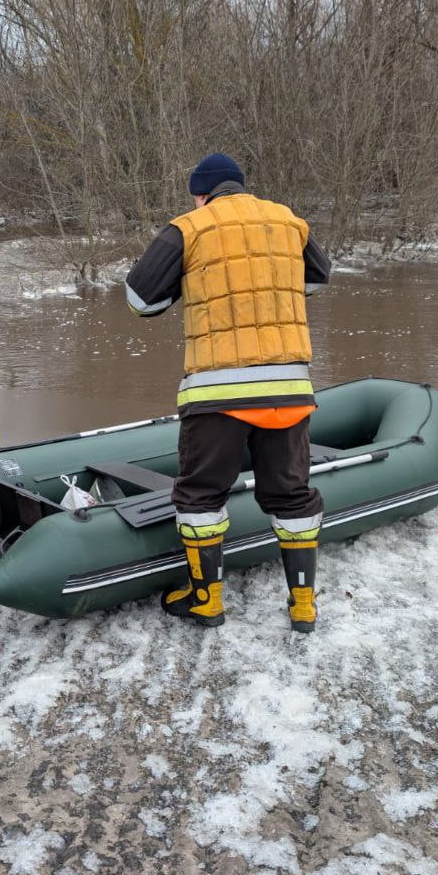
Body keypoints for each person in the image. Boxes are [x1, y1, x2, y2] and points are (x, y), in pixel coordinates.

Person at [125, 154, 331, 632]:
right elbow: (317, 280)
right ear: (241, 188)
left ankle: (206, 601)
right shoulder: (288, 221)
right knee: (292, 495)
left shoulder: (188, 228)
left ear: (201, 194)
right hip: (289, 388)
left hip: (217, 393)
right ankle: (303, 605)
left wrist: (186, 285)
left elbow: (139, 300)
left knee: (200, 494)